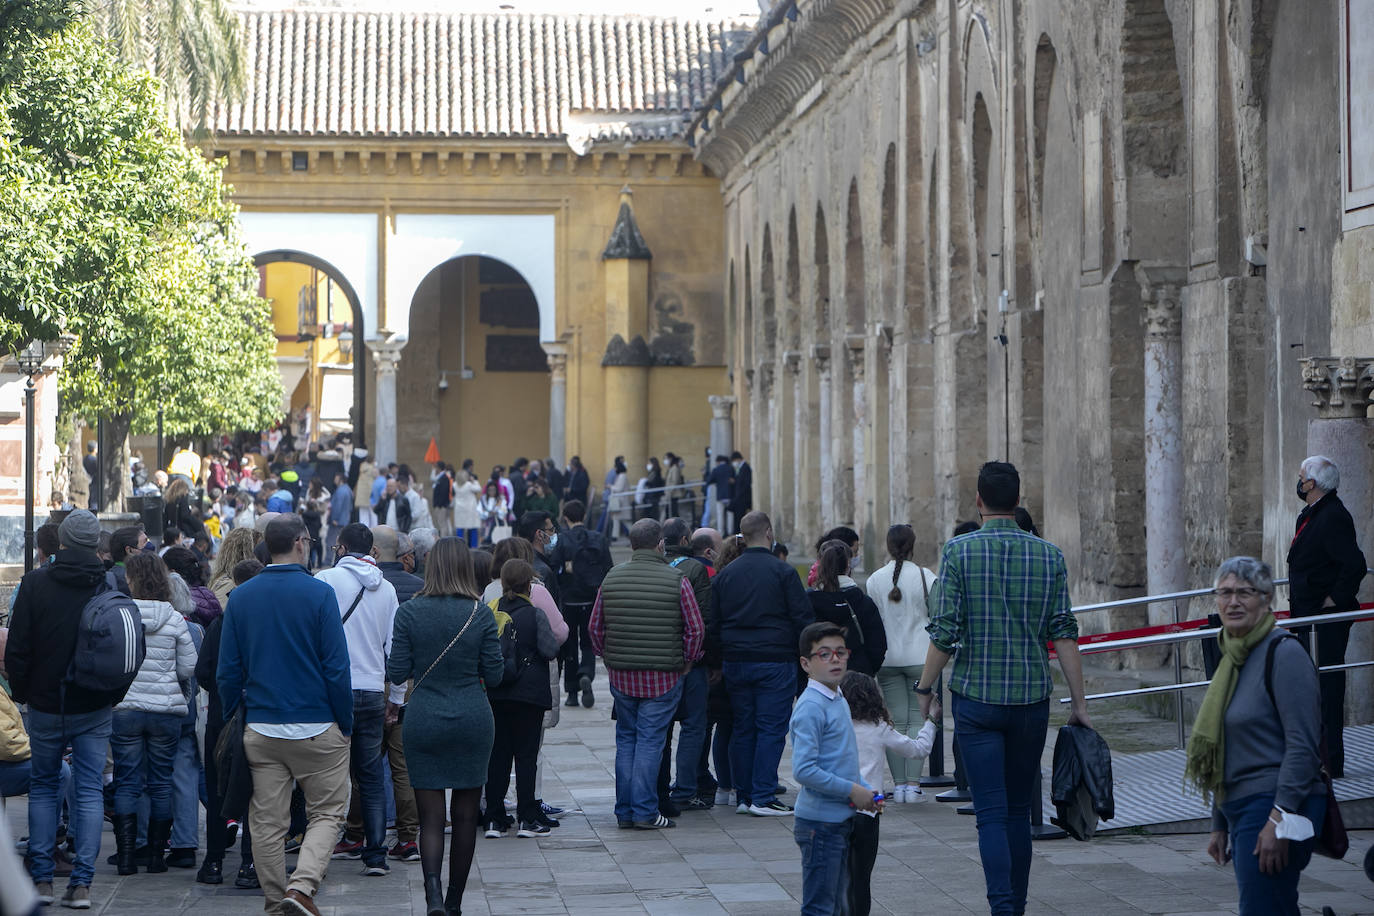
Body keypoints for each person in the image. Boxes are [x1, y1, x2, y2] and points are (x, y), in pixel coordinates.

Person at [915, 461, 1090, 916]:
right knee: (1016, 811)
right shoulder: (1049, 555)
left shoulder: (958, 552)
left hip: (976, 700)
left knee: (991, 813)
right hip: (1031, 699)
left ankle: (1003, 907)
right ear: (1018, 500)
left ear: (978, 501)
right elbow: (1064, 633)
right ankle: (1018, 905)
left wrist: (925, 686)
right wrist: (1080, 703)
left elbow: (945, 632)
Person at [218, 514, 355, 916]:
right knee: (329, 811)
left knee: (265, 822)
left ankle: (277, 902)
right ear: (299, 542)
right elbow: (336, 667)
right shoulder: (318, 593)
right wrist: (344, 722)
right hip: (316, 722)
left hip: (262, 725)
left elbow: (227, 671)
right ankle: (302, 886)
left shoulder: (241, 596)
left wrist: (232, 714)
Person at [5, 510, 130, 909]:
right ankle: (82, 885)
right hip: (94, 701)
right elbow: (126, 646)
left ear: (61, 542)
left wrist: (25, 692)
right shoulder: (109, 582)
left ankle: (42, 879)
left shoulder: (35, 583)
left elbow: (18, 647)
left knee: (43, 787)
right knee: (90, 789)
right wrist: (113, 694)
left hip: (45, 702)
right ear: (97, 545)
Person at [1189, 557, 1327, 916]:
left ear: (1267, 600)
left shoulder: (1284, 654)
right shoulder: (1233, 655)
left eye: (1244, 593)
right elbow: (1227, 746)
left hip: (1273, 807)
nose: (1232, 602)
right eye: (1225, 593)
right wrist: (1219, 824)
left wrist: (1278, 820)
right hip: (1241, 809)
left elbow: (1304, 745)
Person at [388, 536, 504, 916]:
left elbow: (398, 671)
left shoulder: (408, 612)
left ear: (430, 565)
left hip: (424, 719)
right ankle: (454, 903)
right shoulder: (480, 612)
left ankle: (433, 895)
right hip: (472, 717)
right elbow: (496, 674)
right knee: (467, 816)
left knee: (431, 817)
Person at [590, 518, 705, 829]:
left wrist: (608, 656)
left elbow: (594, 627)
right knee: (650, 742)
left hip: (622, 676)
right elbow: (695, 629)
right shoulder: (676, 579)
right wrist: (688, 660)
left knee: (626, 740)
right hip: (664, 676)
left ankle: (625, 811)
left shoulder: (612, 578)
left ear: (631, 545)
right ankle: (644, 811)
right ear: (661, 545)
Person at [314, 523, 403, 877]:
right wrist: (395, 698)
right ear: (372, 551)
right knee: (370, 776)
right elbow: (394, 649)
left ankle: (319, 849)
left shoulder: (325, 581)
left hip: (333, 691)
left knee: (327, 775)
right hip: (371, 690)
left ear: (340, 547)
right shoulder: (388, 589)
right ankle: (376, 854)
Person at [711, 511, 811, 815]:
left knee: (744, 727)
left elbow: (713, 623)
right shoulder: (782, 572)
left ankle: (744, 795)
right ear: (768, 533)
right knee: (770, 728)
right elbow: (802, 619)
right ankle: (763, 795)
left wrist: (717, 660)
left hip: (737, 660)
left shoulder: (726, 574)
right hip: (775, 659)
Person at [109, 554, 197, 876]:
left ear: (132, 581)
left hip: (127, 708)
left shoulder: (121, 615)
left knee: (128, 782)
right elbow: (188, 666)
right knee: (161, 782)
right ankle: (158, 858)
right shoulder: (174, 618)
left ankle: (128, 857)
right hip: (165, 710)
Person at [789, 621, 879, 916]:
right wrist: (853, 790)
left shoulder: (837, 696)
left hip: (840, 820)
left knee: (839, 905)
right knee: (820, 908)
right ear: (806, 663)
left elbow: (843, 760)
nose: (835, 659)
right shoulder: (811, 706)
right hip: (819, 826)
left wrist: (866, 793)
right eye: (824, 654)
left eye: (841, 652)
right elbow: (804, 770)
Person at [1286, 455, 1366, 777]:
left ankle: (1331, 761)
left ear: (1313, 484)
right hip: (1308, 618)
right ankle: (1315, 756)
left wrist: (1333, 600)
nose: (1299, 481)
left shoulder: (1333, 515)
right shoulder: (1313, 513)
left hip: (1326, 623)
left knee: (1328, 689)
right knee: (1311, 689)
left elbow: (1354, 565)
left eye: (1302, 476)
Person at [841, 671, 938, 915]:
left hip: (838, 803)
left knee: (837, 877)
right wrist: (931, 721)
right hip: (872, 804)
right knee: (862, 878)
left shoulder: (834, 727)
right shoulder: (879, 727)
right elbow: (918, 749)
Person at [196, 558, 263, 889]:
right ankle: (249, 864)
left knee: (217, 789)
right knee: (257, 792)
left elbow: (203, 671)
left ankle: (213, 861)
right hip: (259, 717)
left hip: (223, 718)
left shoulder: (221, 624)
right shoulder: (267, 625)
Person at [482, 560, 560, 839]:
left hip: (497, 692)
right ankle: (527, 817)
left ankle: (493, 818)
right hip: (529, 695)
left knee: (497, 756)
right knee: (526, 756)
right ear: (529, 585)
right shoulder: (535, 614)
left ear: (502, 584)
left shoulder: (489, 611)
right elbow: (550, 649)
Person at [864, 524, 937, 802]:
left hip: (888, 658)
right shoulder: (926, 576)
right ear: (913, 545)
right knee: (920, 718)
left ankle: (899, 785)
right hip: (923, 658)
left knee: (894, 720)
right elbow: (938, 615)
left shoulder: (874, 580)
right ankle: (913, 784)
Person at [657, 517, 714, 814]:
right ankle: (686, 788)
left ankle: (660, 786)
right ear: (682, 540)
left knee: (661, 728)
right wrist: (697, 658)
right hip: (689, 661)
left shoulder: (654, 567)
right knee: (694, 725)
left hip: (659, 659)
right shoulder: (695, 569)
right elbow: (703, 620)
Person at [549, 499, 611, 708]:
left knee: (569, 645)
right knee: (588, 642)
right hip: (591, 597)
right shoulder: (598, 538)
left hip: (568, 599)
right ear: (584, 516)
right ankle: (587, 673)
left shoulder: (562, 540)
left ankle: (572, 692)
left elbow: (553, 568)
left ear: (565, 518)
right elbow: (608, 568)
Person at [807, 541, 887, 676]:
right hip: (857, 674)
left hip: (819, 675)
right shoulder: (863, 602)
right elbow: (878, 645)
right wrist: (867, 669)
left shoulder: (808, 600)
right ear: (848, 567)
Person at [373, 525, 424, 605]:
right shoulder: (421, 587)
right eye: (413, 553)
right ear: (406, 558)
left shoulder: (368, 585)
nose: (415, 557)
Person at [451, 467, 483, 548]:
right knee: (472, 528)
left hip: (459, 509)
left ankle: (459, 546)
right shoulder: (468, 485)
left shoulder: (454, 485)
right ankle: (473, 546)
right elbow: (479, 489)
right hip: (470, 509)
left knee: (460, 528)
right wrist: (474, 481)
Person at [704, 455, 733, 531]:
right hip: (730, 495)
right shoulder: (730, 468)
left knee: (720, 515)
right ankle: (730, 531)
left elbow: (709, 480)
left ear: (718, 461)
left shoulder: (716, 470)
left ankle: (721, 532)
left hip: (720, 495)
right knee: (730, 514)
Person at [328, 471, 353, 555]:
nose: (334, 480)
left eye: (336, 478)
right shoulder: (348, 489)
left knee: (331, 540)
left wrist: (335, 518)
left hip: (338, 521)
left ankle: (328, 560)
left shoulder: (340, 491)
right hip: (345, 520)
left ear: (340, 479)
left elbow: (337, 506)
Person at [726, 451, 752, 531]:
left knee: (739, 520)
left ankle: (739, 537)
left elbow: (746, 484)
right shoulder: (741, 468)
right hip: (739, 499)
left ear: (737, 459)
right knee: (737, 520)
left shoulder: (745, 467)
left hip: (742, 499)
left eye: (734, 461)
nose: (734, 463)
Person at [430, 461, 454, 537]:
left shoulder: (444, 478)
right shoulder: (440, 477)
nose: (435, 469)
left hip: (441, 506)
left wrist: (440, 505)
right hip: (440, 505)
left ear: (439, 468)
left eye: (436, 467)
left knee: (442, 525)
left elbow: (444, 492)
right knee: (441, 524)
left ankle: (444, 541)